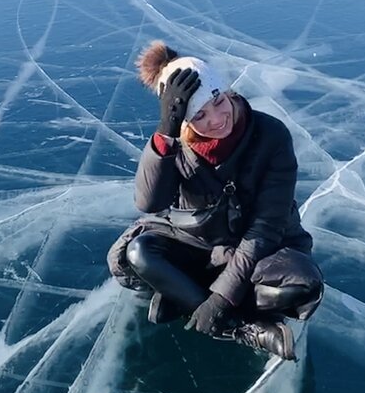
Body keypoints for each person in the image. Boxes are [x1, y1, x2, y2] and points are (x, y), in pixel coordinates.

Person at [108, 41, 323, 360]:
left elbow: (265, 229)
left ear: (228, 92)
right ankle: (241, 328)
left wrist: (220, 299)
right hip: (200, 242)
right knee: (139, 252)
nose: (217, 119)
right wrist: (165, 135)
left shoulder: (271, 136)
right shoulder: (177, 145)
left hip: (263, 247)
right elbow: (149, 202)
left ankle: (183, 294)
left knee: (302, 287)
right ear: (182, 119)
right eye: (199, 114)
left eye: (218, 100)